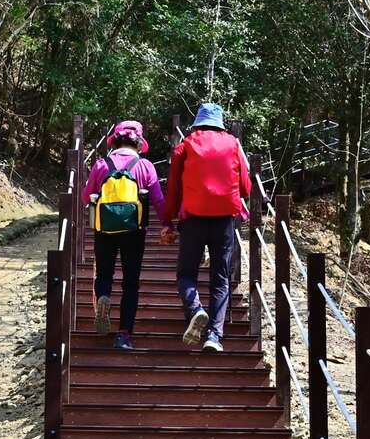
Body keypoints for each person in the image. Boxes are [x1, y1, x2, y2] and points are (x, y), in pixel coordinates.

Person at [162, 103, 252, 352]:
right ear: (220, 123)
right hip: (224, 219)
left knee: (186, 274)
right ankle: (214, 336)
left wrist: (167, 220)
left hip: (192, 218)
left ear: (197, 123)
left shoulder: (186, 145)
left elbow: (173, 189)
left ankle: (196, 309)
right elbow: (245, 188)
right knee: (221, 278)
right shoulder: (233, 144)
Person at [81, 121, 165, 350]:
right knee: (130, 283)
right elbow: (157, 200)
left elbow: (85, 196)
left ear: (115, 141)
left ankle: (103, 297)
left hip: (104, 228)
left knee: (104, 274)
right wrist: (169, 224)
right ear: (139, 143)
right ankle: (124, 335)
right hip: (134, 231)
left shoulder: (101, 164)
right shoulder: (145, 166)